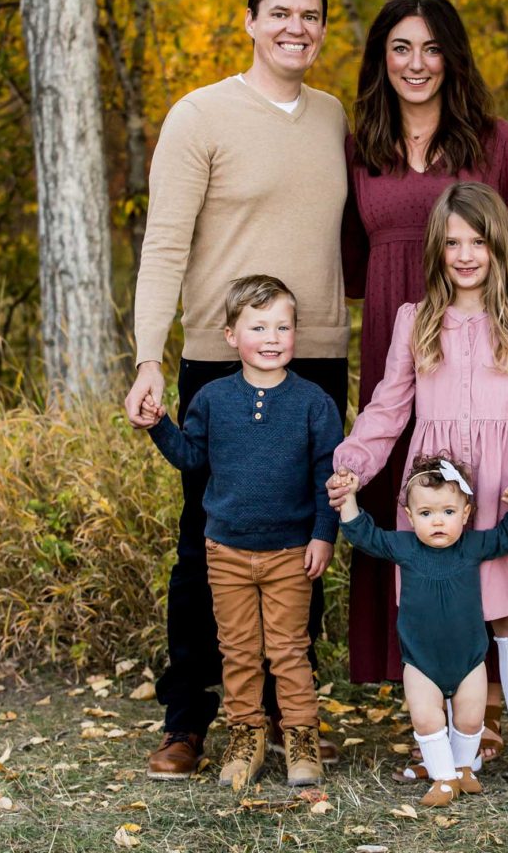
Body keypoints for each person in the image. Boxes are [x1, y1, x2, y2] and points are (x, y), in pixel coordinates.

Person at [125, 0, 350, 780]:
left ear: (324, 27)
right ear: (250, 22)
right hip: (220, 366)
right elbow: (165, 246)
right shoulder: (200, 116)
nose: (297, 27)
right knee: (205, 542)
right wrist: (150, 355)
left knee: (306, 546)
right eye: (280, 13)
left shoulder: (334, 119)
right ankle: (189, 718)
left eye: (312, 15)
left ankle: (292, 718)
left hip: (318, 360)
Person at [341, 0, 508, 759]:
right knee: (422, 532)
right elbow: (345, 249)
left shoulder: (493, 139)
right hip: (405, 330)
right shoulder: (362, 140)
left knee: (501, 573)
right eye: (401, 48)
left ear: (453, 56)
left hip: (495, 350)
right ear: (382, 56)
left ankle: (502, 723)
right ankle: (436, 714)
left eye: (432, 47)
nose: (416, 63)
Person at [331, 181, 508, 790]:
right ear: (437, 249)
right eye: (452, 243)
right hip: (439, 492)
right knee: (434, 612)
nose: (465, 255)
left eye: (479, 241)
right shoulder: (418, 321)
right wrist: (355, 461)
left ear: (499, 247)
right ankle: (440, 747)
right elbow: (388, 406)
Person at [141, 275, 342, 790]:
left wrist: (324, 534)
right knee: (238, 651)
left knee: (289, 649)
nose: (272, 337)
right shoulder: (212, 398)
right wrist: (159, 424)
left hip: (291, 552)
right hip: (226, 550)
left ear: (297, 332)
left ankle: (299, 736)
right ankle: (245, 736)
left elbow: (327, 476)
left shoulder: (314, 403)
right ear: (231, 335)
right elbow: (191, 457)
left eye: (283, 325)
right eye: (258, 326)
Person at [335, 454, 508, 806]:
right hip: (421, 661)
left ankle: (462, 768)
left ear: (466, 514)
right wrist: (348, 500)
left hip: (469, 658)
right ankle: (443, 778)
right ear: (410, 517)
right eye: (426, 514)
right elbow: (365, 536)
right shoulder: (405, 547)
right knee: (427, 719)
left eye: (448, 512)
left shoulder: (472, 547)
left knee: (471, 719)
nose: (437, 522)